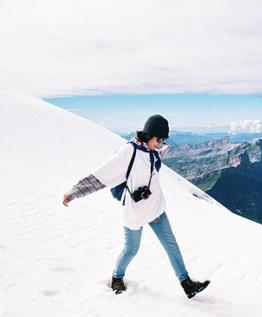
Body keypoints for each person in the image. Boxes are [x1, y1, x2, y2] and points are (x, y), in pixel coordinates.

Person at [62, 114, 210, 298]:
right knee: (131, 249)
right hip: (135, 212)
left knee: (171, 245)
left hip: (156, 209)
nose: (161, 144)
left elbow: (158, 154)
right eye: (160, 139)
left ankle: (186, 283)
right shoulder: (127, 153)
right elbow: (100, 177)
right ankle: (117, 277)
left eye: (164, 140)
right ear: (149, 135)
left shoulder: (153, 150)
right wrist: (73, 192)